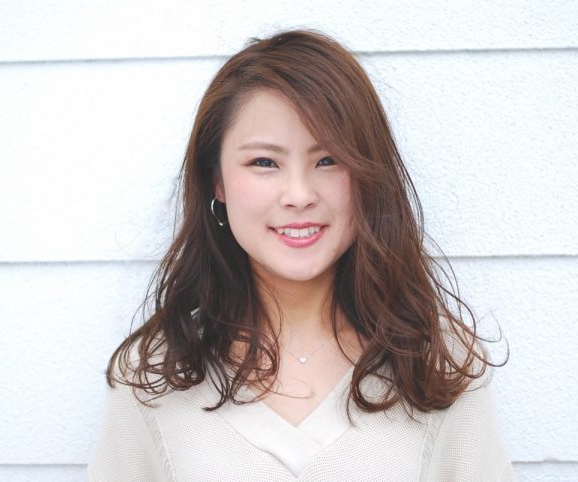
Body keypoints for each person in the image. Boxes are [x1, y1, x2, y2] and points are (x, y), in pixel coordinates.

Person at [87, 29, 513, 481]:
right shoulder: (153, 377)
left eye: (328, 160)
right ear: (217, 181)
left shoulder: (439, 365)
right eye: (264, 162)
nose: (299, 194)